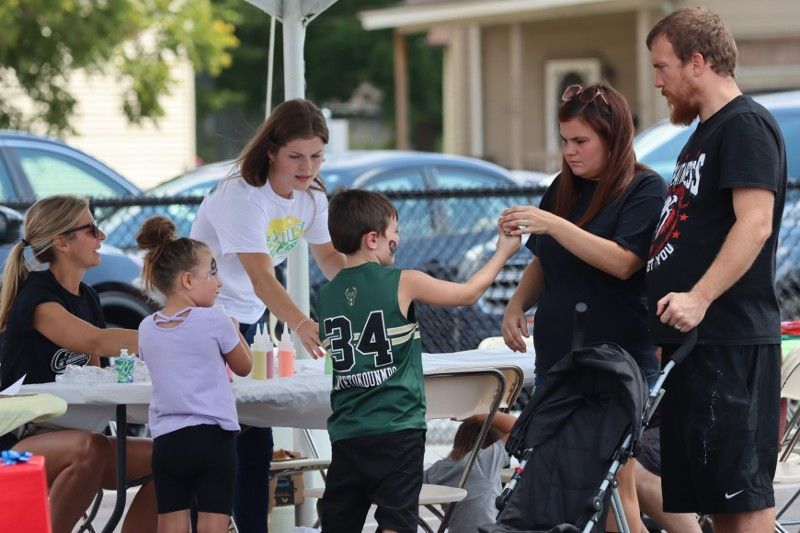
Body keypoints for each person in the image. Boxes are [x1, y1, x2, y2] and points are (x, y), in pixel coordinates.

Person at [499, 83, 666, 533]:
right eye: (564, 141)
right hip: (560, 357)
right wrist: (516, 303)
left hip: (616, 361)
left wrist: (553, 223)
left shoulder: (645, 189)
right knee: (565, 484)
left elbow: (623, 260)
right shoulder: (562, 188)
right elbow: (543, 260)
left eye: (581, 142)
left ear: (614, 140)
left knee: (615, 484)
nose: (569, 152)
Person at [645, 7, 787, 532]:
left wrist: (698, 298)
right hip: (697, 346)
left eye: (663, 68)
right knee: (718, 499)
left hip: (731, 339)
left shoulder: (744, 126)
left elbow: (755, 224)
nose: (658, 81)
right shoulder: (701, 135)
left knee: (743, 497)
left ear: (697, 62)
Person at [315, 189, 519, 533]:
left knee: (339, 523)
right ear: (373, 239)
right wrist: (503, 252)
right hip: (398, 428)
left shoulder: (328, 293)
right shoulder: (403, 282)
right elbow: (468, 293)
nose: (398, 238)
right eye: (394, 231)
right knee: (397, 521)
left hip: (348, 432)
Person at [190, 98, 345, 532]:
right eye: (296, 156)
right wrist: (301, 323)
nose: (307, 167)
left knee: (254, 434)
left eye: (316, 156)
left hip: (249, 317)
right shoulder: (242, 195)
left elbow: (329, 256)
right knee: (216, 436)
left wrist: (369, 281)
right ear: (271, 151)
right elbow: (261, 276)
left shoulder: (311, 196)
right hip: (205, 316)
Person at [0, 194, 156, 533]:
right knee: (91, 447)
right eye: (92, 229)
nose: (102, 237)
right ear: (61, 242)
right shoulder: (37, 297)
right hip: (12, 447)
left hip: (73, 438)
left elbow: (95, 373)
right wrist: (174, 333)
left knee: (174, 456)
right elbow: (93, 341)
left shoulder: (88, 298)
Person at [135, 216, 252, 533]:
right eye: (212, 272)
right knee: (213, 523)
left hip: (167, 441)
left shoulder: (146, 328)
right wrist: (235, 331)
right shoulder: (214, 319)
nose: (219, 281)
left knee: (171, 522)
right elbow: (244, 366)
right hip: (212, 438)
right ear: (188, 281)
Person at [423, 412, 516, 533]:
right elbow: (519, 426)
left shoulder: (439, 470)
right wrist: (476, 414)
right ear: (493, 441)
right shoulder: (485, 463)